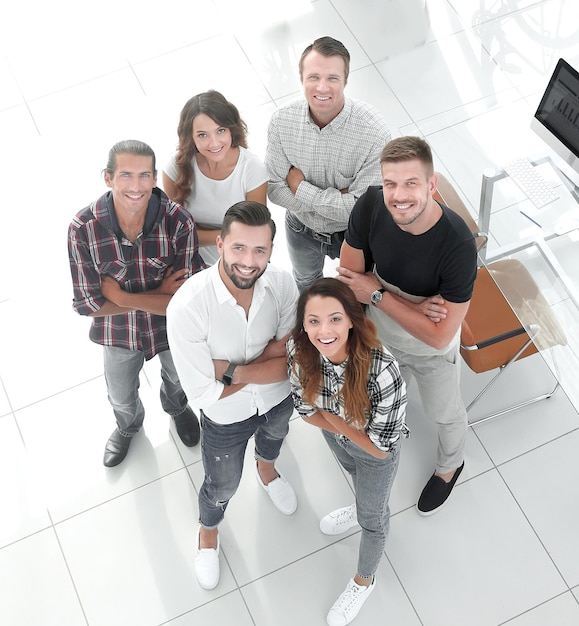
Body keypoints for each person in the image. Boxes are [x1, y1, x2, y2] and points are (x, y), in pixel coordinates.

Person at [337, 135, 477, 516]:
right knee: (376, 402)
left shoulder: (458, 245)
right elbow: (349, 276)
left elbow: (439, 335)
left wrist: (378, 293)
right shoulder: (370, 205)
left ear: (431, 185)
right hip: (380, 338)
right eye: (391, 183)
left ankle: (451, 467)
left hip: (431, 355)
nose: (399, 196)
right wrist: (411, 305)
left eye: (411, 183)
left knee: (444, 415)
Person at [167, 200, 299, 590]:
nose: (248, 260)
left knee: (274, 438)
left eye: (260, 250)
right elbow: (206, 397)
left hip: (278, 398)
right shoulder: (188, 308)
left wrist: (230, 369)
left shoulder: (282, 283)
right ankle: (208, 532)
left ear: (272, 251)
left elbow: (292, 360)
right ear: (220, 244)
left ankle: (267, 470)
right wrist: (268, 356)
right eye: (239, 248)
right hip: (226, 418)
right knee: (221, 484)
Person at [68, 140, 206, 467]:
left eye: (144, 176)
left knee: (179, 378)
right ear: (108, 178)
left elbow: (186, 302)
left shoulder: (179, 222)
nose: (136, 186)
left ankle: (176, 408)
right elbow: (88, 304)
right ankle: (128, 426)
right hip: (118, 330)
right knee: (120, 394)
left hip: (171, 326)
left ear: (155, 178)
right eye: (126, 175)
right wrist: (160, 295)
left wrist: (120, 297)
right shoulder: (83, 229)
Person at [287, 278, 407, 626]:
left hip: (374, 452)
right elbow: (305, 411)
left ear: (352, 319)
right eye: (313, 321)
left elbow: (381, 449)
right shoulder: (300, 350)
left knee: (374, 520)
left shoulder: (382, 371)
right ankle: (362, 506)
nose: (324, 330)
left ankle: (364, 581)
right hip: (337, 437)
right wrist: (339, 426)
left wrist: (334, 421)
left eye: (335, 319)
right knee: (355, 477)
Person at [265, 36, 392, 292]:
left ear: (345, 80)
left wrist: (300, 187)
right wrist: (338, 200)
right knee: (305, 283)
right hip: (300, 228)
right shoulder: (281, 122)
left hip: (354, 234)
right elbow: (274, 188)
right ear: (301, 79)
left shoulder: (374, 133)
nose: (322, 87)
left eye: (332, 78)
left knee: (359, 292)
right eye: (314, 77)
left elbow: (356, 211)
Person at [162, 90, 268, 265]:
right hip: (190, 261)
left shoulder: (252, 169)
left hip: (241, 262)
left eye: (220, 130)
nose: (214, 143)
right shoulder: (175, 167)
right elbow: (174, 233)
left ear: (231, 129)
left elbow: (255, 233)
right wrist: (231, 234)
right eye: (202, 135)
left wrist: (199, 234)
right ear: (191, 137)